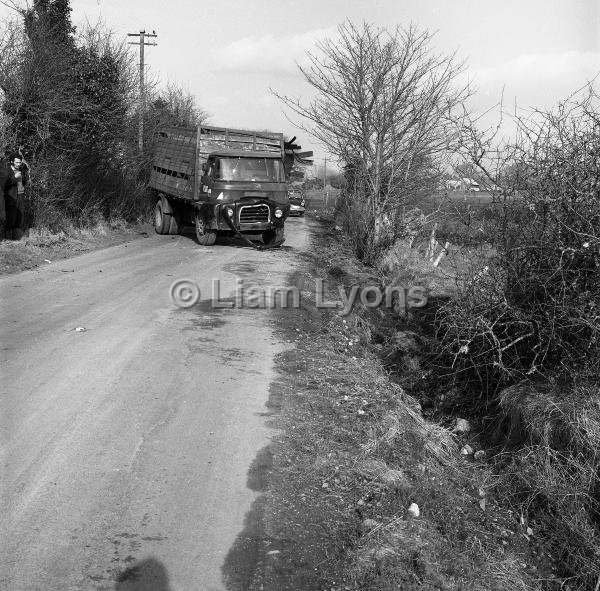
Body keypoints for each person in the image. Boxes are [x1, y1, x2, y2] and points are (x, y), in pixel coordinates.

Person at [5, 151, 29, 240]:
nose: (18, 164)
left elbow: (24, 182)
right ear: (12, 161)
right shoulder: (7, 170)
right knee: (11, 218)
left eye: (20, 162)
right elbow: (4, 184)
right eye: (17, 162)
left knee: (19, 218)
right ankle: (7, 240)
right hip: (11, 198)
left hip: (21, 196)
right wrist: (14, 178)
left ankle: (16, 240)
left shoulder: (21, 170)